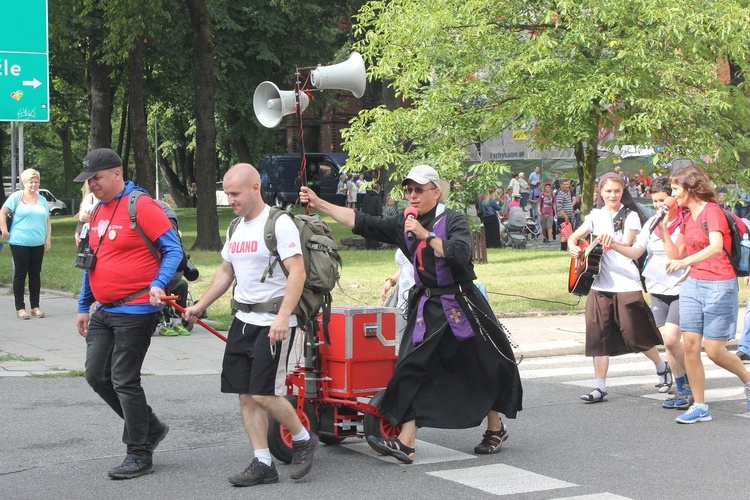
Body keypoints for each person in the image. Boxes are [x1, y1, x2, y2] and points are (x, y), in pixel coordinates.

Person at [300, 164, 522, 463]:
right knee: (411, 367)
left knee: (483, 364)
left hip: (461, 303)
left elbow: (459, 254)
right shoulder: (404, 221)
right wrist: (319, 202)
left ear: (436, 191)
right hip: (427, 306)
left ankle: (495, 427)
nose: (412, 195)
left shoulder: (452, 219)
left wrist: (424, 234)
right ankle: (406, 441)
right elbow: (361, 221)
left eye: (418, 189)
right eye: (408, 190)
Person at [182, 163, 318, 486]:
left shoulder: (279, 224)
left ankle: (302, 438)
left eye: (235, 193)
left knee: (264, 393)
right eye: (227, 193)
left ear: (255, 187)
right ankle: (263, 463)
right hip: (242, 321)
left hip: (274, 321)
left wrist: (284, 316)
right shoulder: (235, 229)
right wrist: (200, 306)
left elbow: (297, 273)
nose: (230, 199)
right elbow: (226, 273)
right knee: (245, 394)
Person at [74, 148, 183, 479]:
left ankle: (139, 453)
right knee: (96, 375)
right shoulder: (95, 213)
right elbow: (89, 261)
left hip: (136, 308)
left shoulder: (142, 206)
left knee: (124, 379)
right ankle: (149, 427)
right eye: (89, 180)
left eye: (97, 178)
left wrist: (158, 284)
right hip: (103, 310)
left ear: (117, 173)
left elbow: (173, 250)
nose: (92, 184)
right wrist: (83, 305)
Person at [568, 172, 672, 404]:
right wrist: (573, 247)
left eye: (617, 191)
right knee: (598, 335)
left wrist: (612, 242)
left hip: (625, 281)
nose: (613, 195)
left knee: (635, 333)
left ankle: (661, 366)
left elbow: (628, 244)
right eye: (608, 191)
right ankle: (599, 387)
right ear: (600, 193)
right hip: (599, 282)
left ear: (623, 192)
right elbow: (574, 238)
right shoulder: (594, 216)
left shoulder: (630, 215)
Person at [665, 163, 750, 423]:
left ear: (690, 187)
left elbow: (715, 247)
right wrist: (663, 223)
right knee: (690, 346)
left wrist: (684, 262)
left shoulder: (711, 212)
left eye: (675, 188)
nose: (673, 194)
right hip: (693, 285)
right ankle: (700, 406)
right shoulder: (686, 216)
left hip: (719, 285)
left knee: (714, 352)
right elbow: (674, 254)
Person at [602, 176, 692, 408]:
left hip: (682, 287)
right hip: (658, 288)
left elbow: (676, 254)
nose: (660, 206)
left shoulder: (684, 221)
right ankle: (681, 387)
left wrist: (663, 228)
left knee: (672, 338)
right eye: (655, 202)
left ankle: (691, 382)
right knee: (668, 343)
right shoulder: (651, 222)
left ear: (674, 199)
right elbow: (636, 251)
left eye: (664, 200)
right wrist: (614, 244)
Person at [0, 168, 52, 320]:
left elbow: (47, 220)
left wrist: (48, 238)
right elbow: (2, 212)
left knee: (35, 274)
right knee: (20, 273)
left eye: (36, 182)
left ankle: (35, 306)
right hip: (19, 241)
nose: (34, 185)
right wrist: (4, 230)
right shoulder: (17, 197)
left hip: (37, 242)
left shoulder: (41, 199)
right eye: (31, 182)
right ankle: (20, 308)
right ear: (24, 183)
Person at [362, 183, 384, 249]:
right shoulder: (377, 197)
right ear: (378, 190)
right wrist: (380, 216)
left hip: (366, 216)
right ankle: (374, 246)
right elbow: (378, 209)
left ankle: (367, 246)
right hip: (375, 217)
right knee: (374, 232)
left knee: (367, 231)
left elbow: (363, 206)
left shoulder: (366, 196)